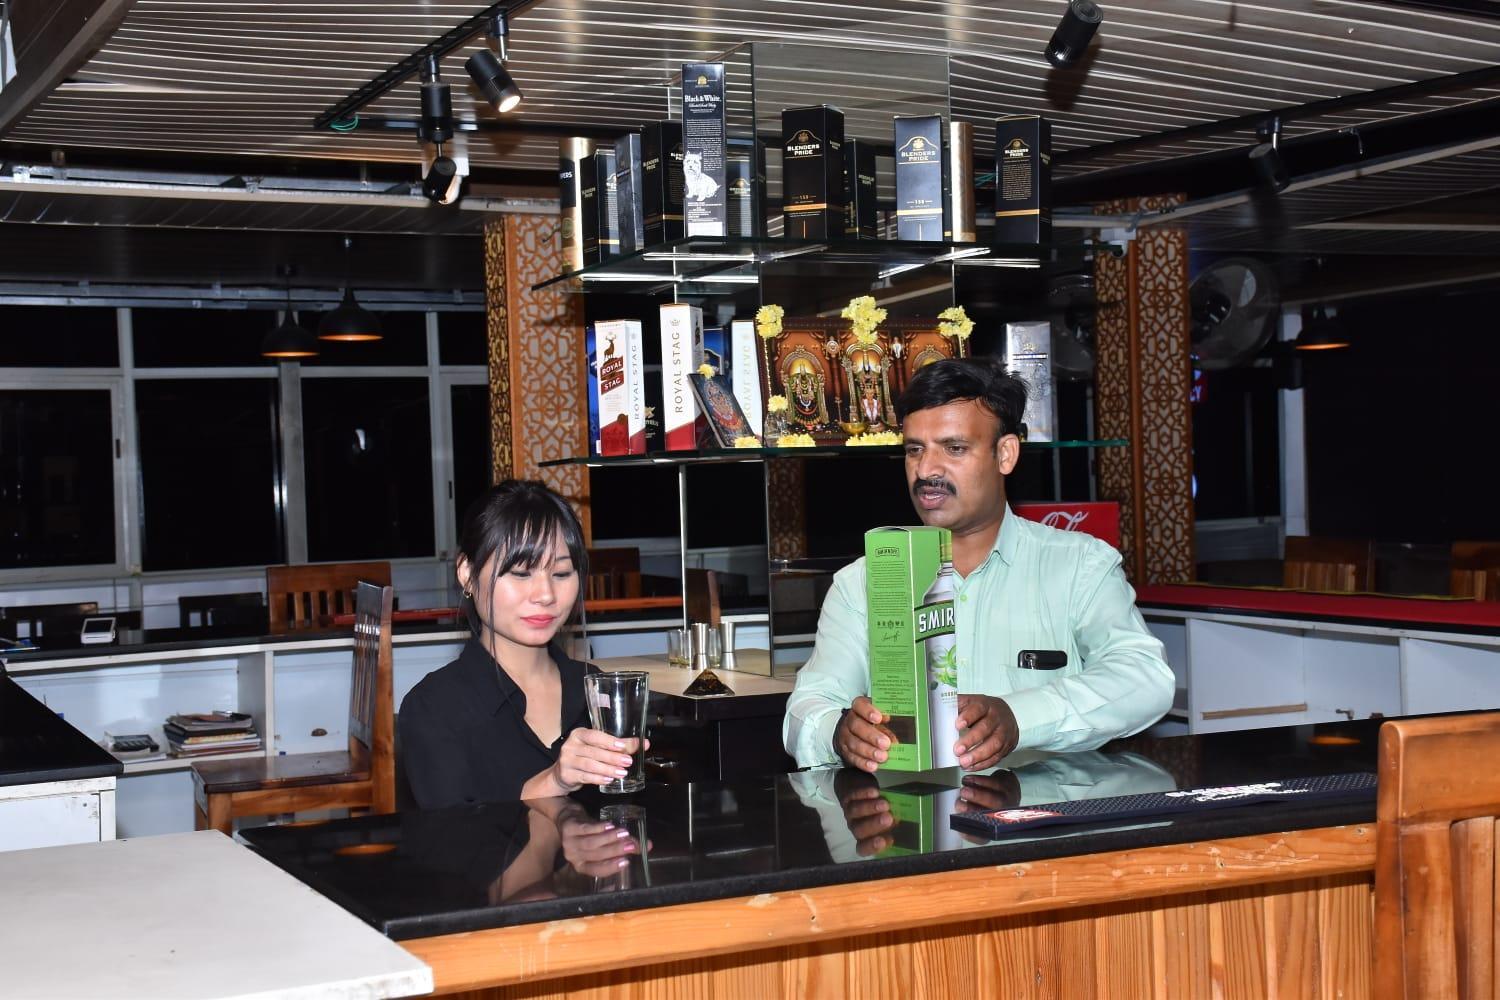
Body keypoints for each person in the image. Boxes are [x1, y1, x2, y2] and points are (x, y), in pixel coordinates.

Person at [782, 356, 1174, 773]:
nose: (926, 470)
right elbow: (806, 709)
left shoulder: (1079, 565)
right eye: (914, 450)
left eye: (954, 448)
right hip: (910, 806)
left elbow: (1145, 678)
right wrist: (838, 731)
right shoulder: (862, 582)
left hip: (1046, 805)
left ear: (1005, 454)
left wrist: (1020, 717)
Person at [399, 480, 646, 808]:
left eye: (561, 574)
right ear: (467, 574)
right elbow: (458, 836)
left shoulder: (595, 691)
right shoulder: (433, 708)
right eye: (521, 573)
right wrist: (554, 781)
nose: (546, 595)